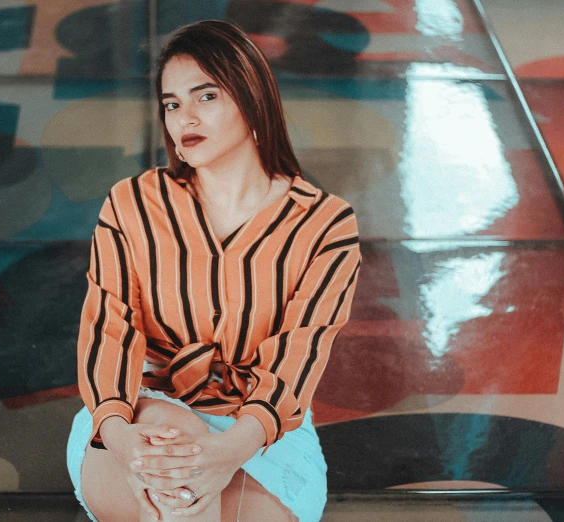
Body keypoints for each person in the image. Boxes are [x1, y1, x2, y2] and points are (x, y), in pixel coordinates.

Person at [66, 19, 361, 522]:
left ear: (252, 102)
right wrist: (125, 443)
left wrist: (222, 458)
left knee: (181, 493)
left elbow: (299, 359)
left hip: (261, 433)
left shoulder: (326, 223)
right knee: (175, 482)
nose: (185, 117)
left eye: (206, 96)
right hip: (143, 414)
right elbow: (107, 333)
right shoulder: (132, 203)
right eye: (172, 103)